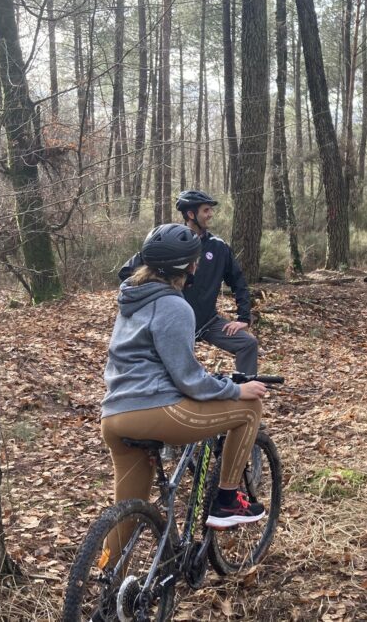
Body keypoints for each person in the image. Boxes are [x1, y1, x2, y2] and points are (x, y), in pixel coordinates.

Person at [102, 223, 268, 531]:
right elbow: (188, 379)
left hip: (114, 416)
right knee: (249, 410)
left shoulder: (131, 297)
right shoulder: (173, 305)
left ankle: (108, 577)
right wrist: (235, 389)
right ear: (190, 266)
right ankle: (227, 500)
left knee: (123, 518)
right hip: (154, 411)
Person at [119, 190, 258, 374]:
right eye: (206, 210)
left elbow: (238, 281)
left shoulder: (218, 246)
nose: (211, 214)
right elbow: (128, 272)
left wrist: (243, 318)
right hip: (172, 322)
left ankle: (246, 394)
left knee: (248, 344)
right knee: (171, 367)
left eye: (210, 210)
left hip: (208, 321)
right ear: (191, 214)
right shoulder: (167, 241)